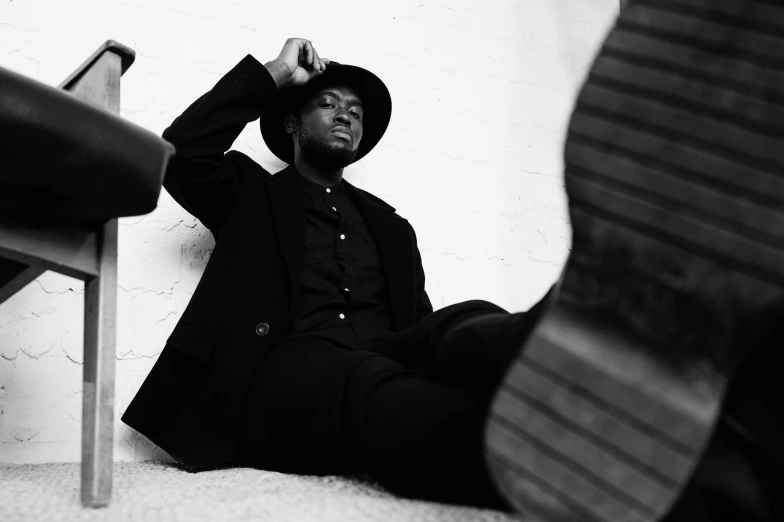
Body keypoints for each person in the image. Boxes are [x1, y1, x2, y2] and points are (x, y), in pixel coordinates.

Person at [123, 1, 782, 520]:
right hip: (286, 370)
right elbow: (180, 152)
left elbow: (421, 326)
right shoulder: (251, 194)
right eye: (329, 103)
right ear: (291, 123)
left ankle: (594, 336)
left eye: (356, 111)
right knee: (377, 394)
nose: (347, 116)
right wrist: (272, 75)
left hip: (386, 345)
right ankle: (565, 454)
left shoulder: (388, 223)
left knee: (462, 325)